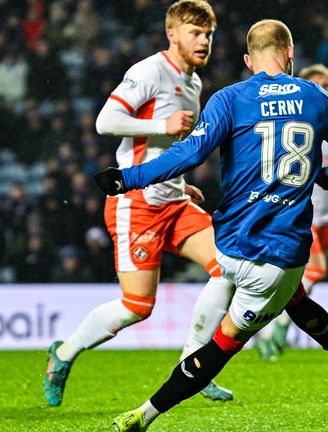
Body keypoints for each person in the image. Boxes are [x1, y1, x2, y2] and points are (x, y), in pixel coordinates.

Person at [95, 19, 328, 431]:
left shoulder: (229, 98)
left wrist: (127, 178)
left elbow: (188, 155)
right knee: (225, 343)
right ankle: (145, 415)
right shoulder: (316, 97)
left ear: (248, 60)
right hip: (276, 259)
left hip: (225, 245)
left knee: (293, 300)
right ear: (291, 55)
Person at [43, 0, 235, 406]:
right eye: (195, 32)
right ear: (172, 33)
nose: (203, 41)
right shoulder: (149, 71)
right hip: (137, 203)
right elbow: (105, 121)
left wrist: (181, 185)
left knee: (229, 270)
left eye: (208, 34)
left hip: (174, 201)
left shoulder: (194, 82)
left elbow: (168, 150)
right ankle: (63, 354)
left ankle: (194, 367)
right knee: (137, 306)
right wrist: (158, 124)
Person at [254, 64, 328, 360]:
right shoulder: (297, 121)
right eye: (315, 83)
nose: (323, 89)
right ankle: (273, 324)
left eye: (327, 83)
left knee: (302, 278)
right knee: (316, 270)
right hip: (301, 209)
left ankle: (268, 328)